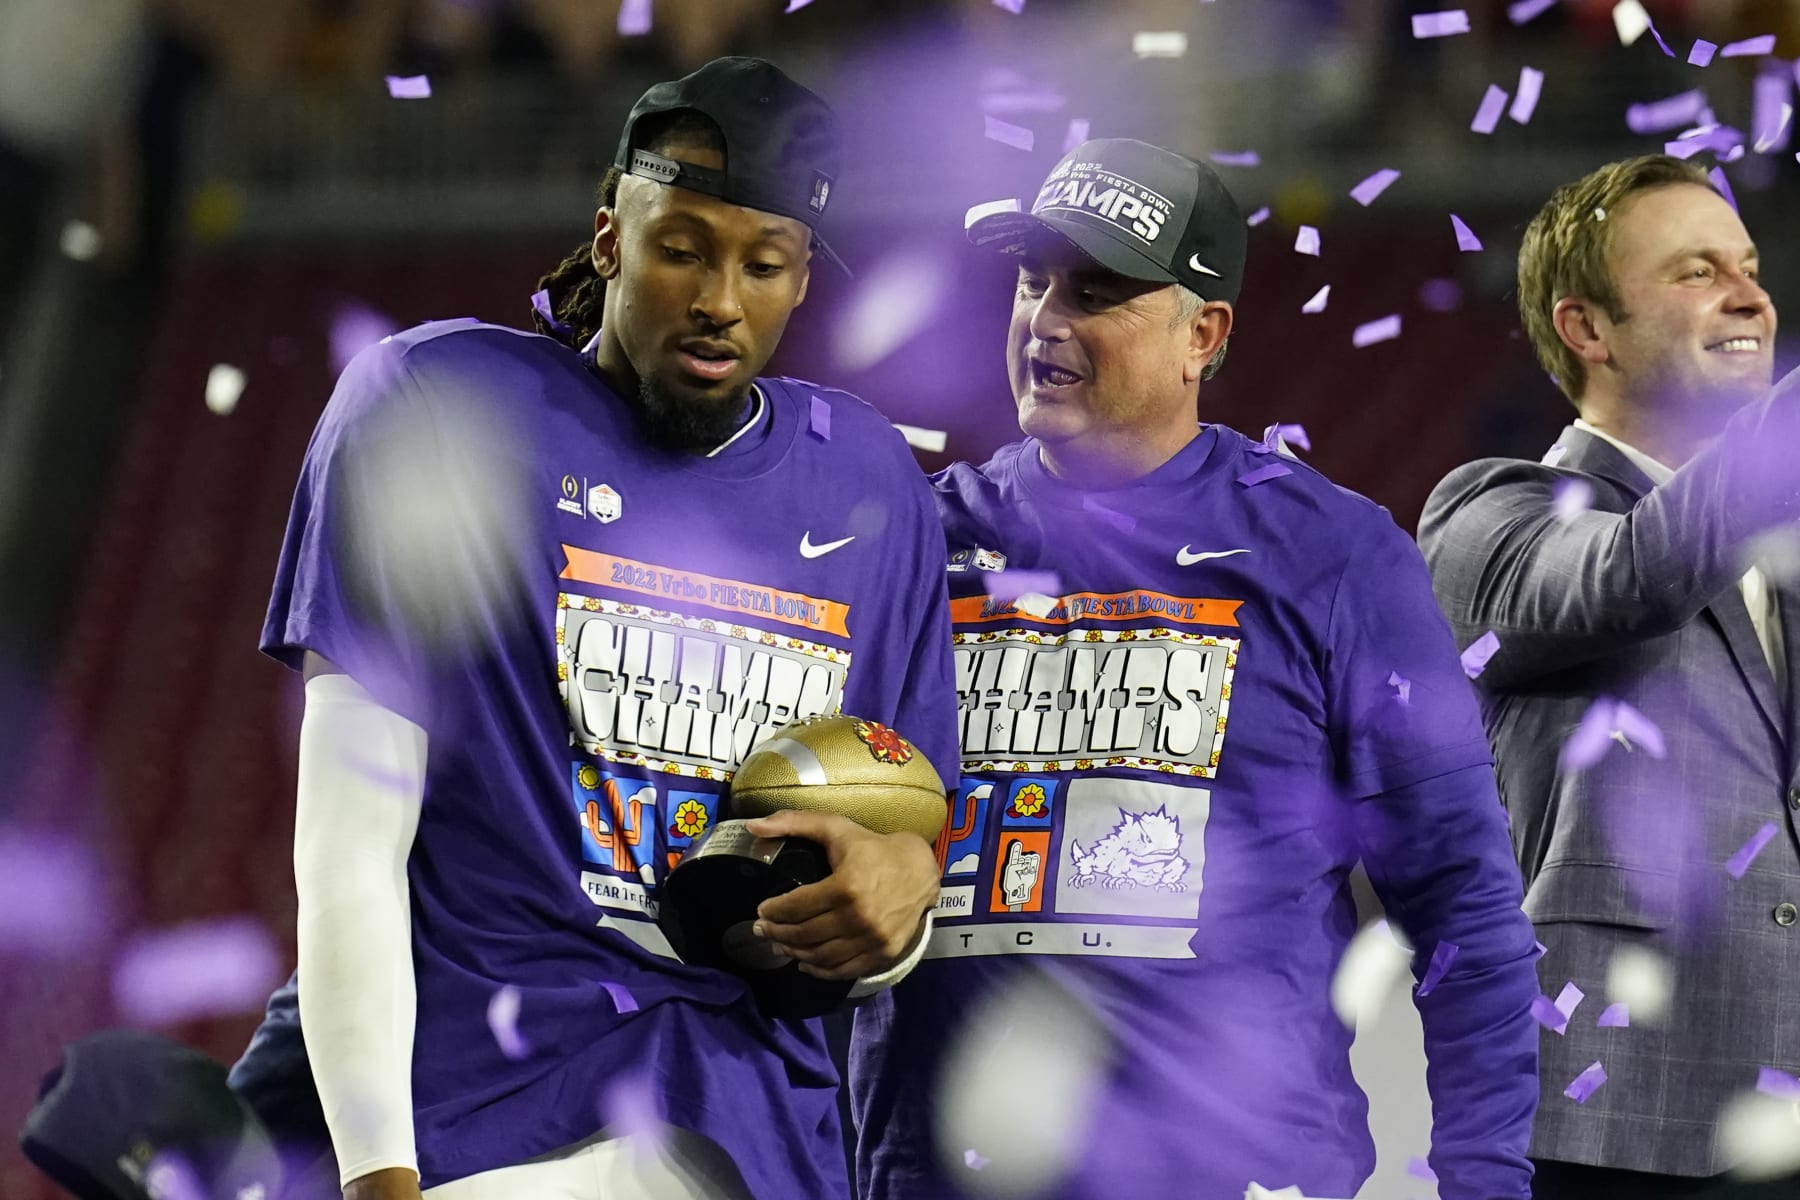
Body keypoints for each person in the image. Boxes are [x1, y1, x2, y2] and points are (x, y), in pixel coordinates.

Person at [237, 56, 957, 1200]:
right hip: (487, 1118)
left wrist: (900, 889)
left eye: (762, 264)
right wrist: (380, 1171)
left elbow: (912, 825)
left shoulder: (870, 484)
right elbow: (348, 854)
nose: (719, 298)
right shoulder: (439, 409)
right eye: (682, 248)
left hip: (751, 1131)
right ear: (611, 237)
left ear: (804, 278)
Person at [848, 137, 1542, 1200]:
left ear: (1201, 335)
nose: (1047, 319)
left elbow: (1465, 914)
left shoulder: (1335, 555)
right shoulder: (914, 545)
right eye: (1033, 281)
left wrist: (1484, 1184)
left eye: (1099, 291)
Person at [1418, 154, 1800, 1199]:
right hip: (1615, 1113)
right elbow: (1632, 575)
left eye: (1752, 266)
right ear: (1586, 328)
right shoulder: (1491, 513)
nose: (1750, 295)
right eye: (1695, 271)